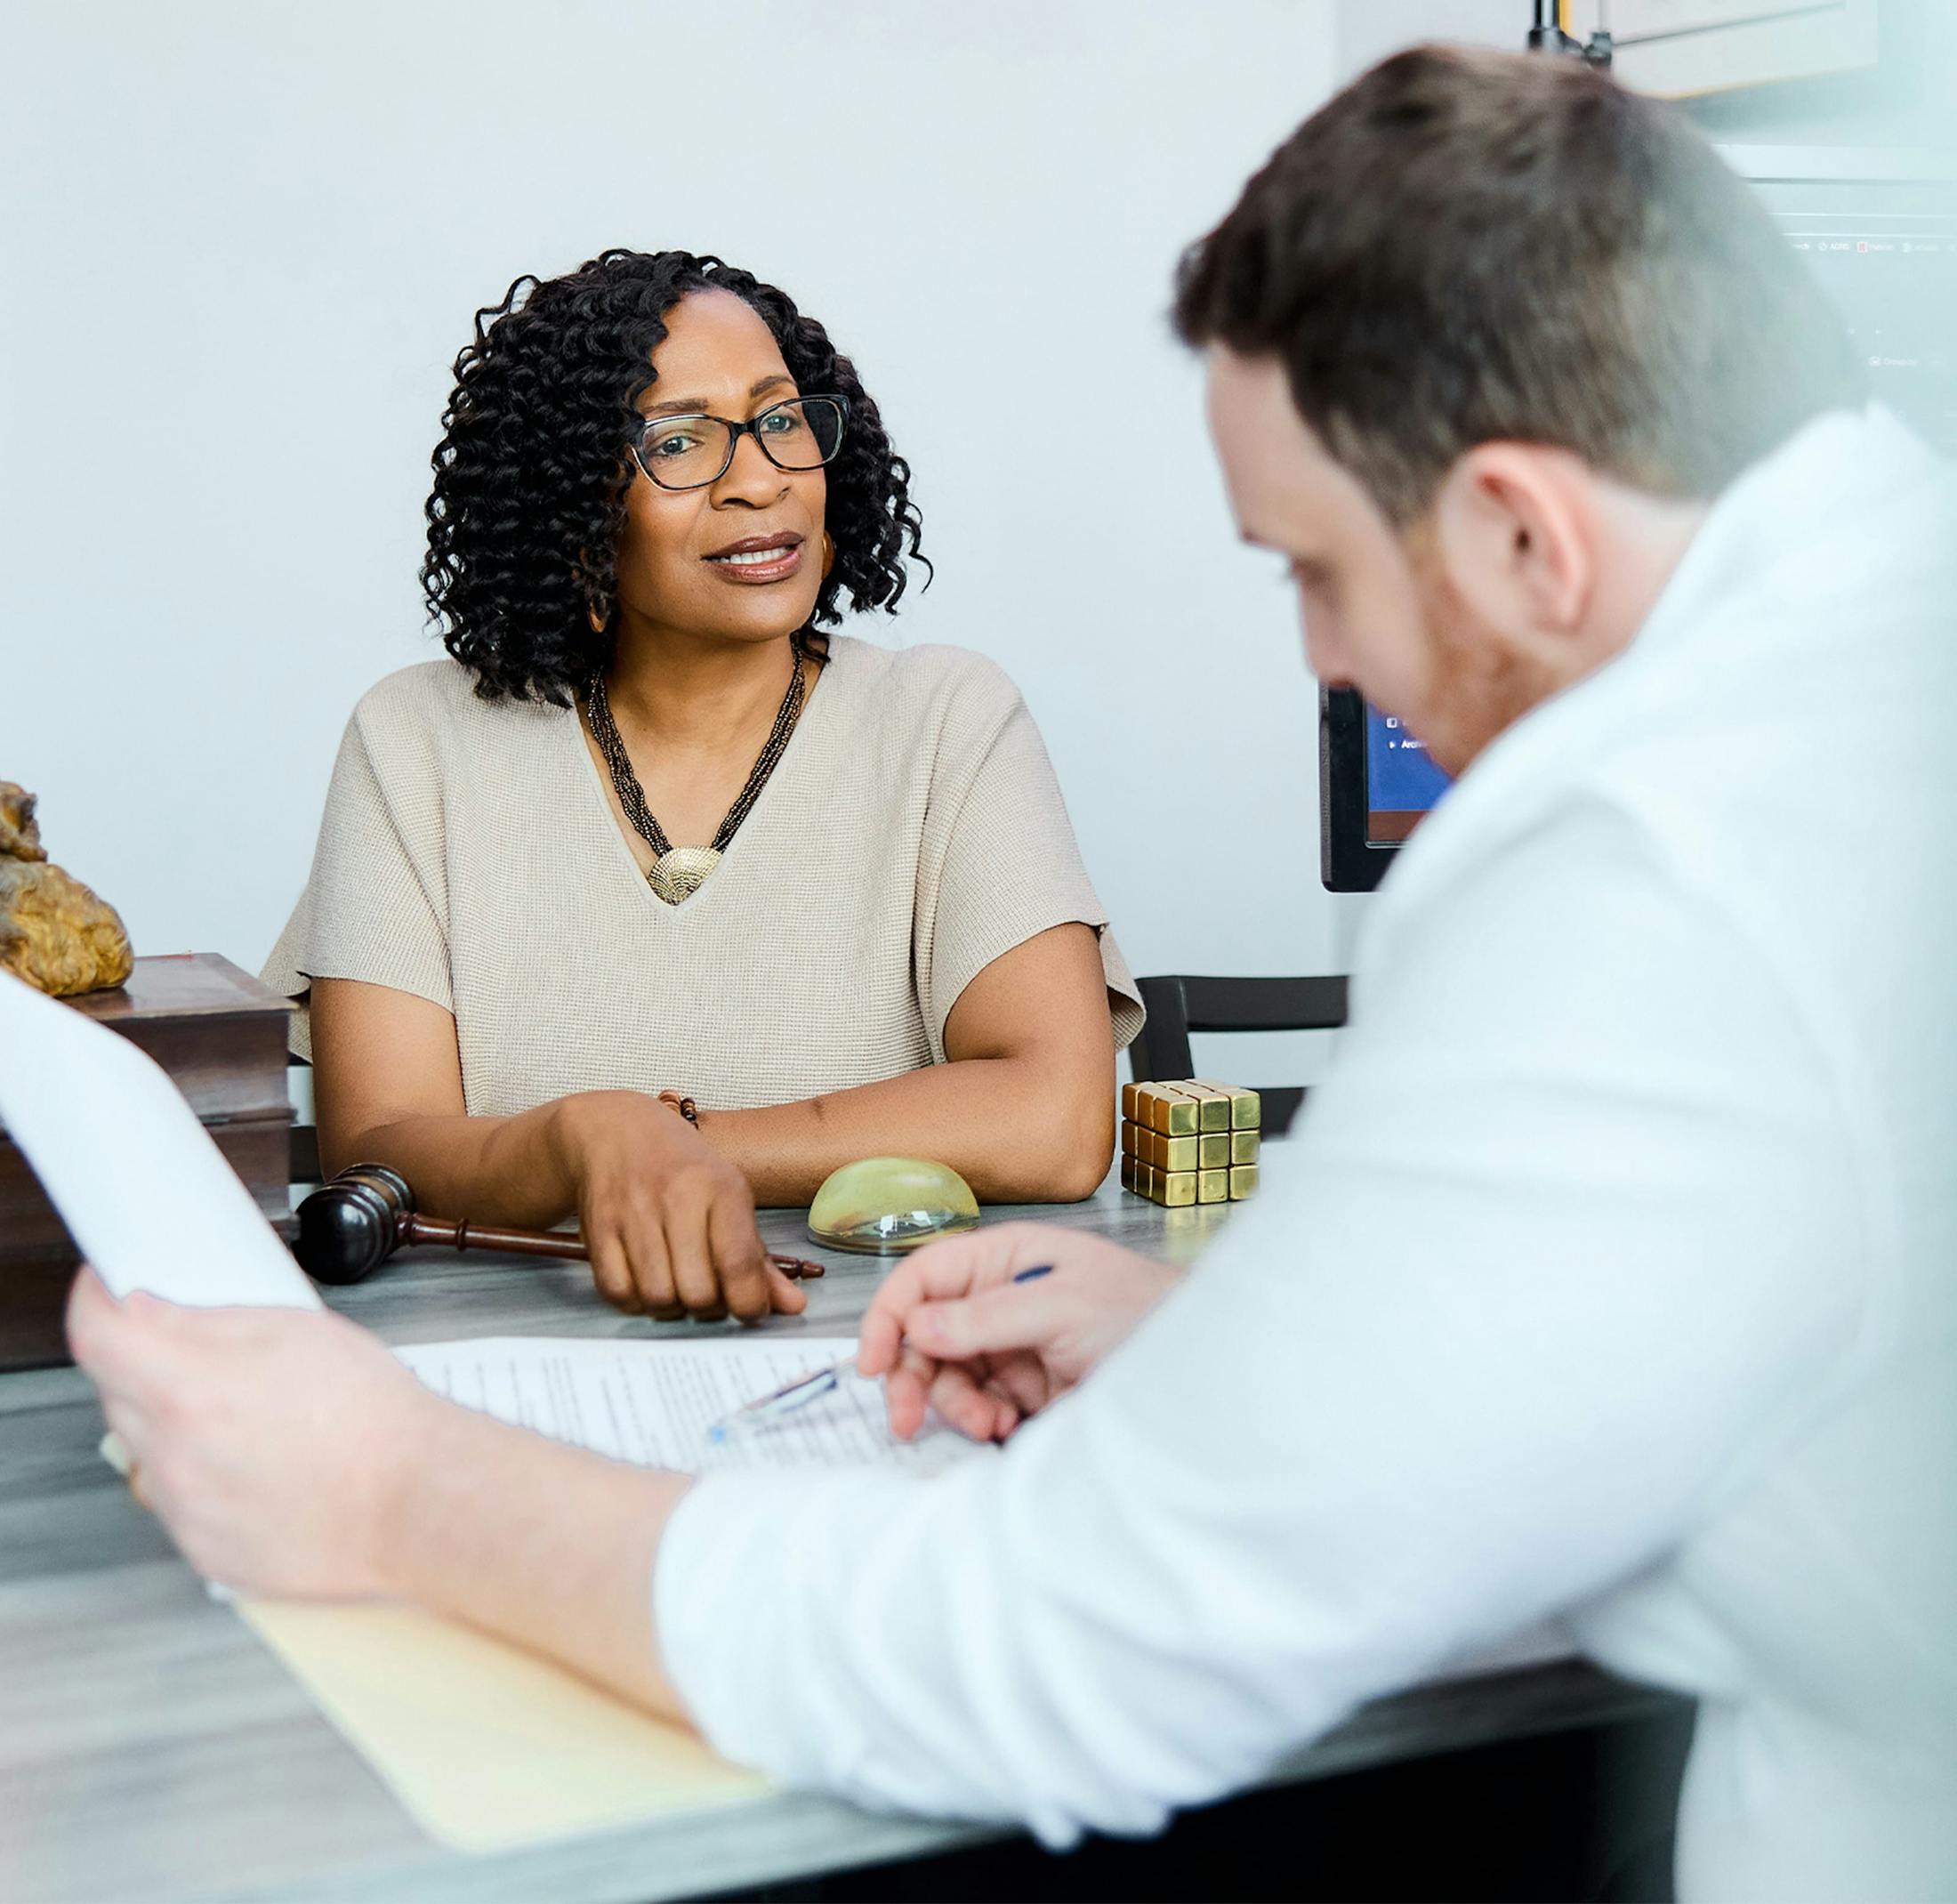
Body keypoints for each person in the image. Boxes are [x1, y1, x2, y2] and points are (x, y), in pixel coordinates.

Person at [68, 47, 1956, 1900]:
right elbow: (1686, 1333)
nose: (1319, 663)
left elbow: (1057, 1643)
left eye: (1306, 568)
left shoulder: (1648, 863)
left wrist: (388, 1483)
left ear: (1523, 535)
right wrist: (1259, 1357)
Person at [262, 249, 1141, 1322]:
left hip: (887, 1357)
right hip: (518, 1361)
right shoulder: (415, 741)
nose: (760, 477)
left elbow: (1052, 1118)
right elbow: (382, 1145)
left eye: (780, 419)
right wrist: (581, 1137)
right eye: (678, 442)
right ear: (574, 500)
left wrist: (664, 1144)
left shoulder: (946, 720)